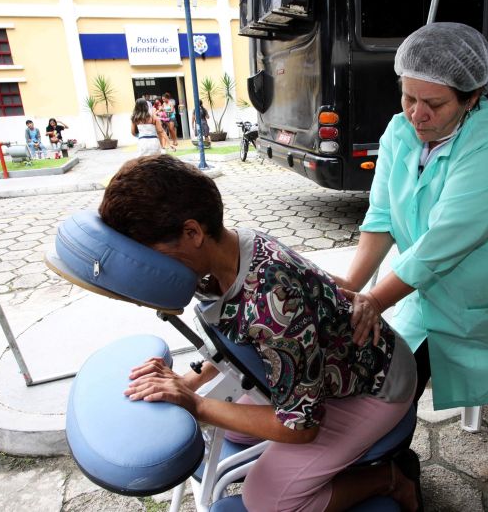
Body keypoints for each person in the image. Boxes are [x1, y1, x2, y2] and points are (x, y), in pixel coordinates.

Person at [99, 155, 421, 512]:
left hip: (372, 386)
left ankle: (389, 479)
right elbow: (237, 343)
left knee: (267, 499)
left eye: (151, 255)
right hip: (321, 371)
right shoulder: (228, 253)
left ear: (193, 233)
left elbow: (302, 427)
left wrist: (197, 403)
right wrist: (187, 381)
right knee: (235, 429)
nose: (149, 268)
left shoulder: (273, 302)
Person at [332, 23, 488, 472]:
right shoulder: (399, 132)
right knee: (399, 377)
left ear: (472, 97)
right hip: (423, 288)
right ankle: (388, 463)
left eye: (434, 104)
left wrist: (373, 300)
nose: (416, 114)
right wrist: (350, 284)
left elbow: (443, 243)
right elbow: (381, 216)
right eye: (408, 97)